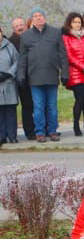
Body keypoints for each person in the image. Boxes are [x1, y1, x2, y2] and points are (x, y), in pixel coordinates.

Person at [16, 8, 67, 142]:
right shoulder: (26, 36)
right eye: (35, 16)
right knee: (38, 106)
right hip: (35, 78)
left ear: (45, 17)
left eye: (40, 15)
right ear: (32, 19)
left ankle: (52, 130)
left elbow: (62, 55)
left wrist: (65, 73)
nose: (38, 18)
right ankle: (39, 131)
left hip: (51, 75)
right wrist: (20, 75)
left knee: (52, 106)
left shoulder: (55, 33)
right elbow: (22, 58)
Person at [61, 12, 84, 136]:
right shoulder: (66, 37)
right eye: (74, 22)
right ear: (70, 23)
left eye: (79, 22)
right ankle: (76, 126)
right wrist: (82, 67)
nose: (77, 24)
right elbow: (69, 56)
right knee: (80, 100)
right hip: (76, 73)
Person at [10, 17, 34, 140]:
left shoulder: (31, 38)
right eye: (17, 26)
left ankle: (40, 129)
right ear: (13, 28)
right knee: (27, 105)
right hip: (20, 79)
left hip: (34, 76)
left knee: (37, 105)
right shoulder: (10, 42)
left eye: (21, 25)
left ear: (25, 25)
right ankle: (29, 131)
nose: (20, 27)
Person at [0, 26, 18, 147]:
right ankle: (2, 136)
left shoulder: (9, 46)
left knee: (11, 111)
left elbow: (17, 61)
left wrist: (8, 74)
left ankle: (12, 136)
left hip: (9, 83)